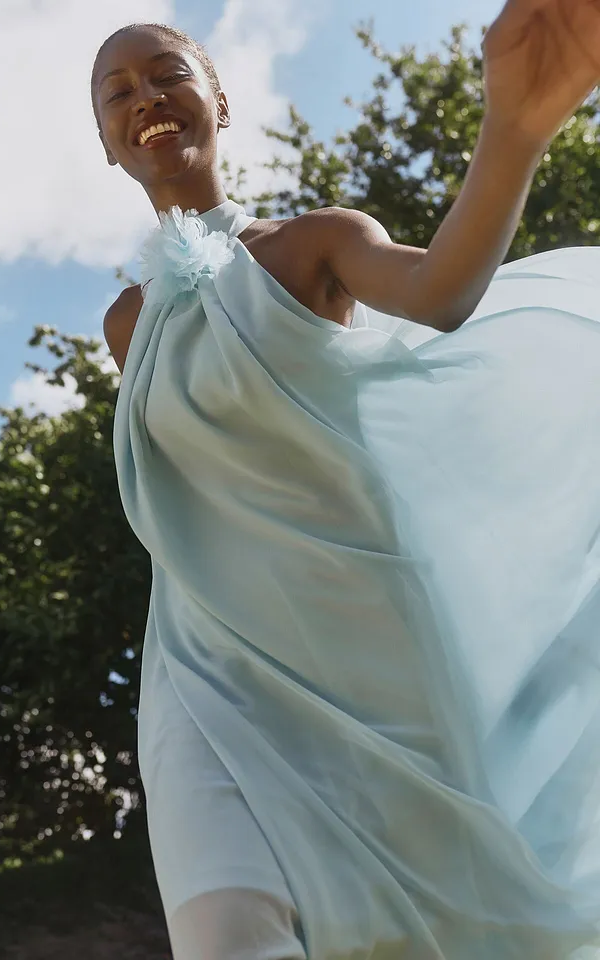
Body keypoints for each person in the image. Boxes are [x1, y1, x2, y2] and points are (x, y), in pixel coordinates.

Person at [91, 3, 600, 958]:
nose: (145, 97)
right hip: (209, 667)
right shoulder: (128, 325)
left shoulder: (315, 243)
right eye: (116, 93)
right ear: (108, 145)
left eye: (166, 74)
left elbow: (443, 292)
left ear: (218, 103)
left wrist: (516, 126)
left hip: (361, 645)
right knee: (225, 931)